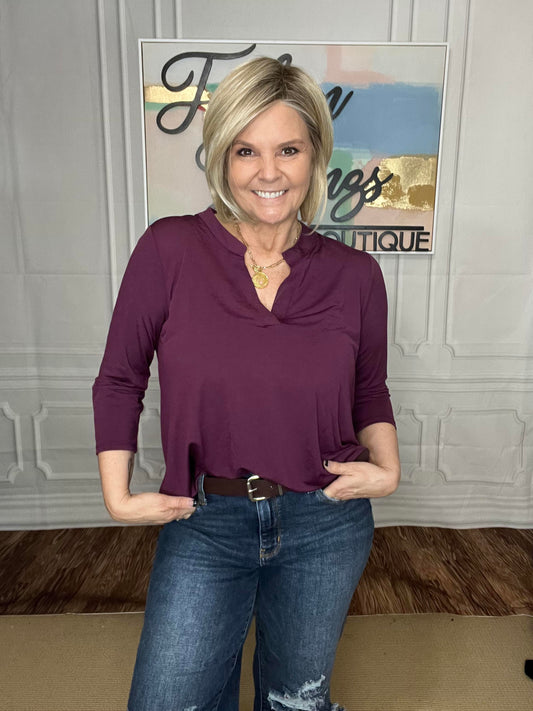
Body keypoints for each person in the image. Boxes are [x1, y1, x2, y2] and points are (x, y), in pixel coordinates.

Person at [93, 56, 400, 711]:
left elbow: (369, 388)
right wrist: (116, 495)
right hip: (207, 518)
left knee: (294, 701)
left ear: (314, 155)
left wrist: (388, 466)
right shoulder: (170, 249)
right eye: (246, 150)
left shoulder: (355, 274)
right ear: (221, 158)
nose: (268, 172)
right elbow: (120, 376)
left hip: (326, 521)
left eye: (288, 149)